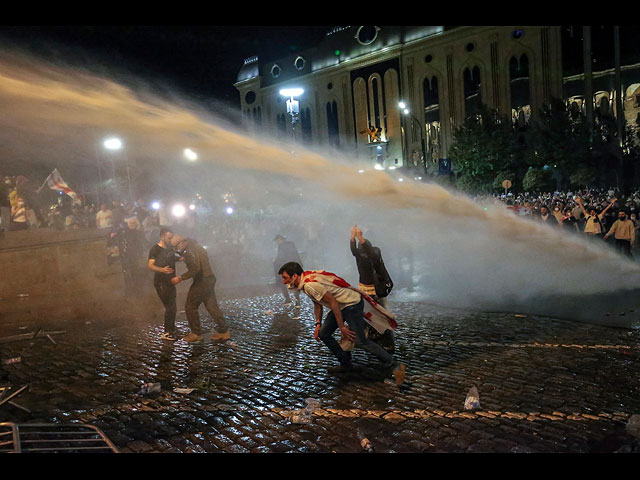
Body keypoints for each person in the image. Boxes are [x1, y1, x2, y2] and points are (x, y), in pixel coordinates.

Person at [278, 262, 405, 385]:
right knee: (324, 333)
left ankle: (394, 365)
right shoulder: (305, 281)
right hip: (341, 305)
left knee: (361, 341)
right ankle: (346, 364)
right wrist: (318, 324)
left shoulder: (310, 285)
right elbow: (317, 303)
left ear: (294, 276)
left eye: (285, 278)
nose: (284, 282)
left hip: (351, 304)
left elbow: (332, 302)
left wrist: (342, 327)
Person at [170, 234, 231, 343]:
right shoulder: (196, 247)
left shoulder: (189, 251)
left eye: (176, 246)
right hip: (209, 278)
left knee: (190, 306)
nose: (176, 249)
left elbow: (195, 268)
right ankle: (224, 331)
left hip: (201, 281)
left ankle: (196, 333)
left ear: (182, 242)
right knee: (212, 306)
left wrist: (180, 277)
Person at [349, 225, 395, 353]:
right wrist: (352, 237)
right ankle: (370, 338)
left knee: (381, 316)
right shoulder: (360, 255)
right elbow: (354, 251)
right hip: (364, 289)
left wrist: (359, 237)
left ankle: (388, 343)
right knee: (365, 315)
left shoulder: (375, 253)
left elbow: (370, 252)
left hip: (376, 290)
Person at [148, 227, 178, 341]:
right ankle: (167, 332)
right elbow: (150, 266)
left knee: (173, 307)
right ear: (162, 236)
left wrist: (180, 258)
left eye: (171, 238)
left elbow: (173, 257)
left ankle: (171, 329)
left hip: (170, 281)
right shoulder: (155, 249)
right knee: (170, 307)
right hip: (161, 282)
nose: (171, 240)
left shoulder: (170, 247)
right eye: (169, 238)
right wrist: (162, 270)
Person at [273, 234, 303, 309]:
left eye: (277, 240)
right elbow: (296, 255)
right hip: (293, 266)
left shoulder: (282, 246)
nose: (277, 242)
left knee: (282, 282)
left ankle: (287, 298)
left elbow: (281, 257)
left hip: (286, 267)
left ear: (280, 240)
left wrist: (275, 262)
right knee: (294, 283)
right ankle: (297, 300)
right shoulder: (291, 244)